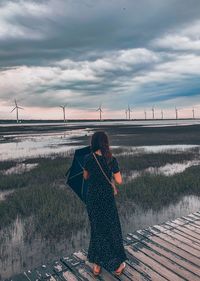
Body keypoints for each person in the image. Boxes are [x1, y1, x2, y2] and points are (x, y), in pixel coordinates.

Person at [83, 131, 128, 276]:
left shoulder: (88, 158)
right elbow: (120, 180)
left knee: (97, 229)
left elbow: (85, 177)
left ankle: (96, 266)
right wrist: (113, 182)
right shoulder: (111, 159)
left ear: (93, 143)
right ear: (106, 143)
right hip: (107, 200)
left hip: (92, 200)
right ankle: (117, 265)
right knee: (111, 229)